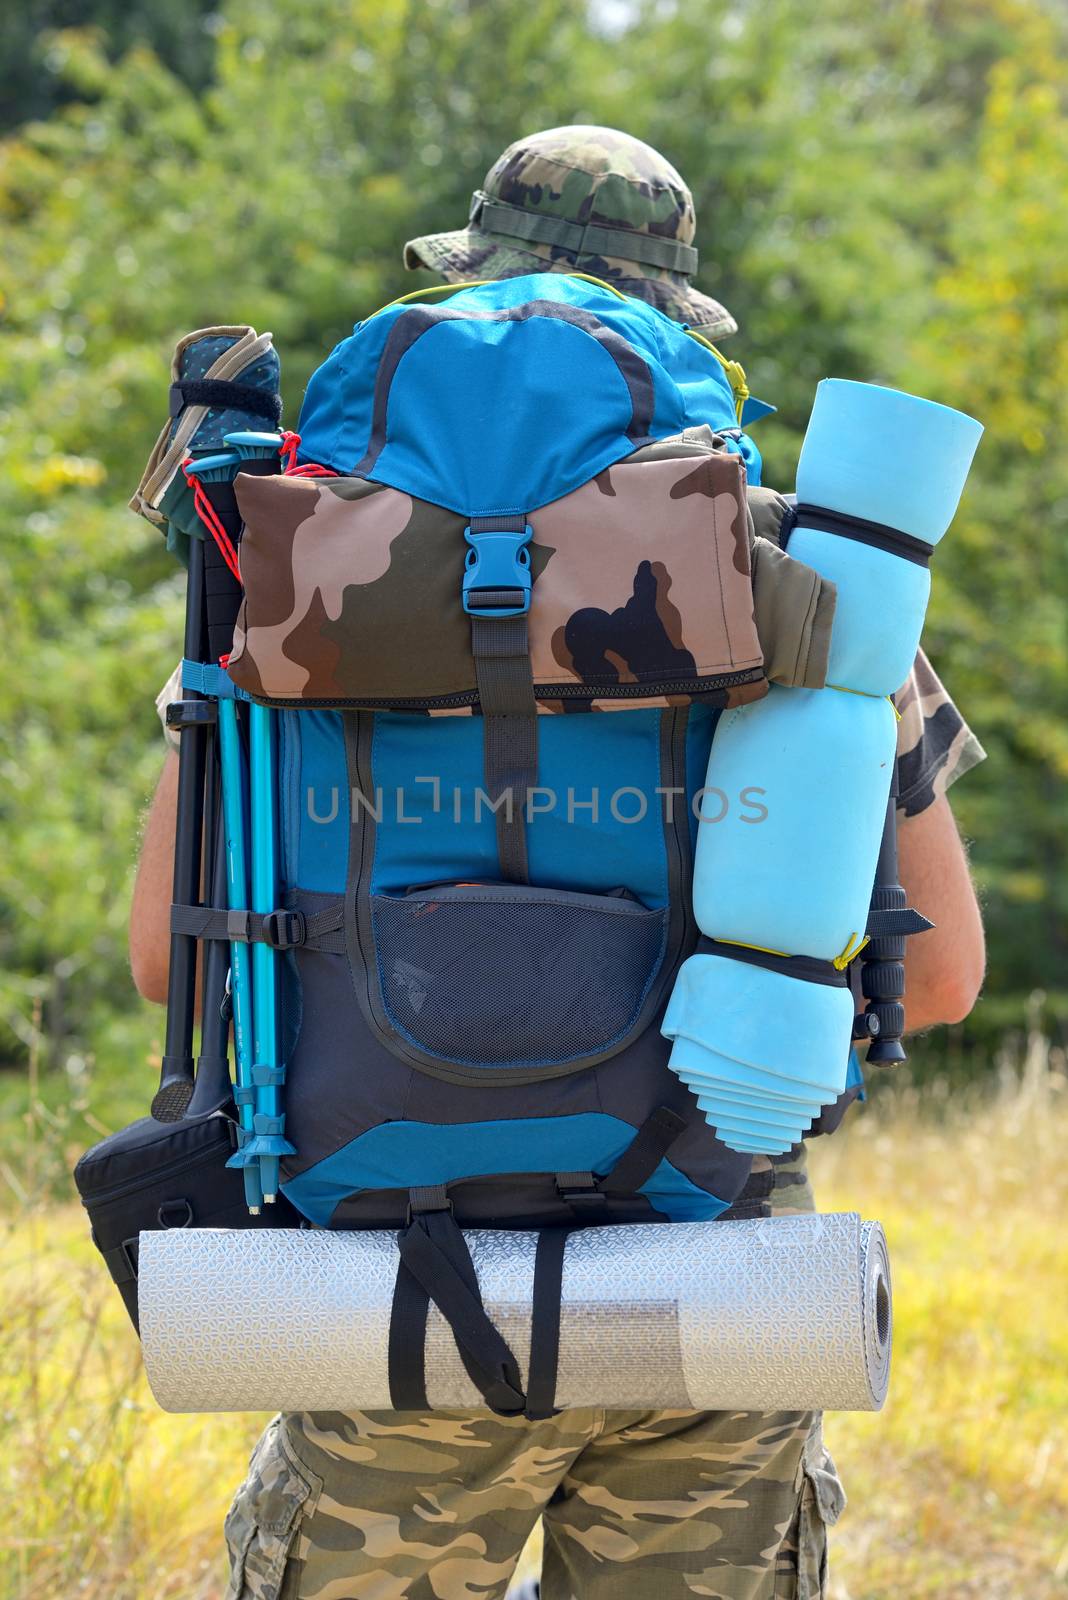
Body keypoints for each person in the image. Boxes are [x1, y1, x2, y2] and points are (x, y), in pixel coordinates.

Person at [129, 126, 986, 1600]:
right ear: (674, 324)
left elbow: (168, 961)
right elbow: (954, 978)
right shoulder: (805, 580)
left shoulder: (296, 579)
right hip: (703, 1280)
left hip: (393, 1287)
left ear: (465, 287)